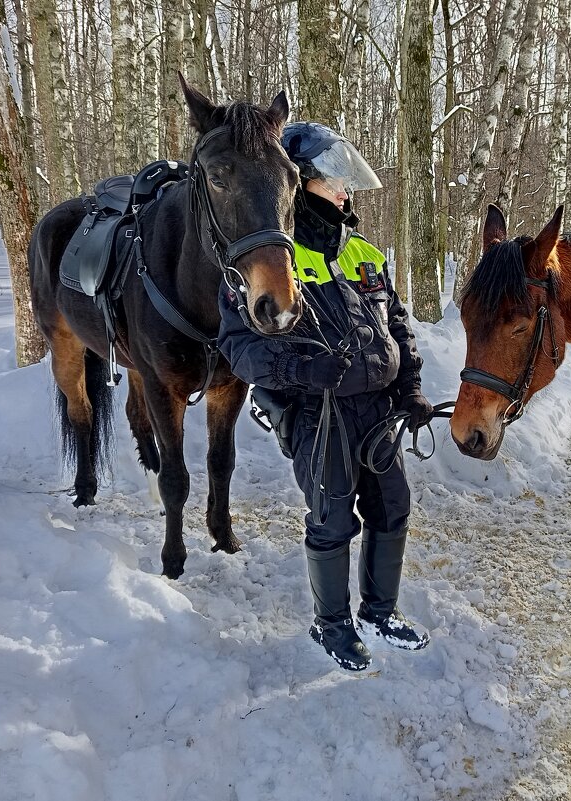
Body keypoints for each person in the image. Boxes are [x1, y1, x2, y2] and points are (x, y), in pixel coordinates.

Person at [218, 122, 434, 672]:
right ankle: (331, 625)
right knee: (333, 520)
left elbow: (398, 325)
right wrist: (302, 369)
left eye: (346, 182)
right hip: (320, 415)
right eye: (333, 181)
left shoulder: (362, 252)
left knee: (392, 509)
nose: (344, 192)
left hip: (378, 411)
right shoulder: (269, 261)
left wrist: (409, 387)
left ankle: (379, 613)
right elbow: (239, 349)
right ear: (300, 183)